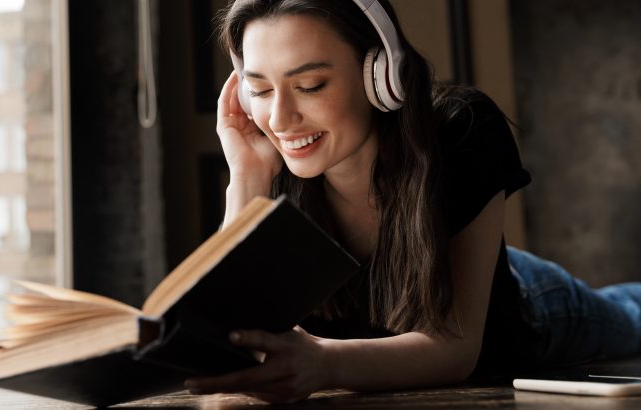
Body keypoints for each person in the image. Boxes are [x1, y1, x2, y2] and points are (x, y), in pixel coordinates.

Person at [183, 0, 641, 403]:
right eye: (260, 90)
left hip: (527, 302)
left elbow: (454, 350)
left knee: (632, 316)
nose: (280, 118)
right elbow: (223, 336)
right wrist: (246, 178)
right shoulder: (271, 162)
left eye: (311, 85)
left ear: (381, 74)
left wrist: (325, 363)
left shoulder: (462, 130)